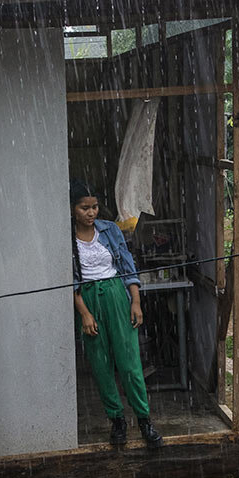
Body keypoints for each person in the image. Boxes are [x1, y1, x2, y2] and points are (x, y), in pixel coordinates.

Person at [71, 181, 165, 448]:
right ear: (73, 209)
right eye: (84, 208)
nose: (91, 213)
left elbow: (127, 268)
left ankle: (145, 420)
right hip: (88, 299)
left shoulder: (110, 230)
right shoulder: (67, 239)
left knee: (130, 364)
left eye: (95, 207)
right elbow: (71, 282)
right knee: (101, 367)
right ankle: (117, 421)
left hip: (116, 296)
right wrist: (85, 315)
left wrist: (135, 302)